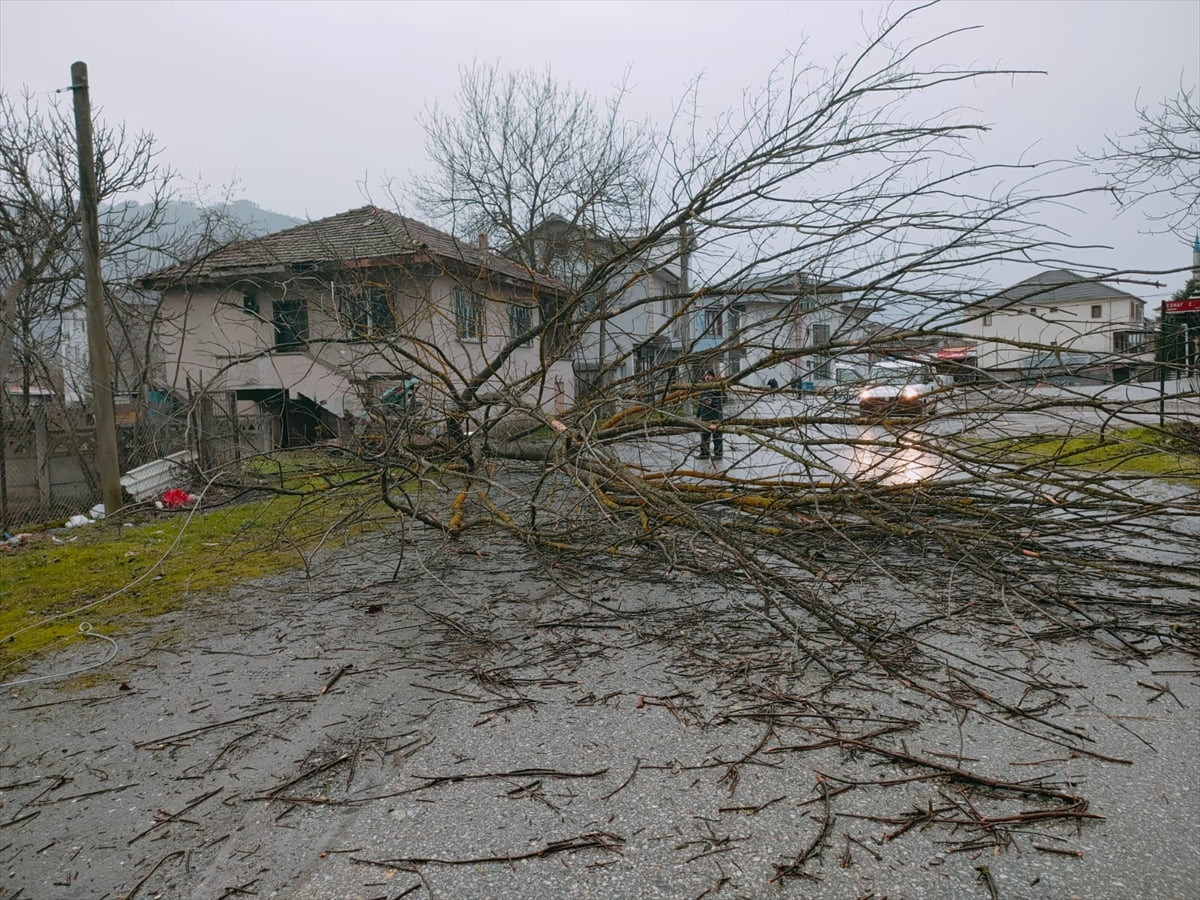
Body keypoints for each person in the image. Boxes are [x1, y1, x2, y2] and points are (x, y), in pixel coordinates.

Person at [695, 370, 725, 459]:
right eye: (705, 375)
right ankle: (704, 453)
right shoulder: (703, 388)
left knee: (717, 437)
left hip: (716, 416)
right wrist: (698, 415)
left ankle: (718, 454)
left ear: (713, 377)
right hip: (705, 417)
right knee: (704, 436)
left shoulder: (717, 387)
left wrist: (712, 402)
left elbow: (724, 399)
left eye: (709, 375)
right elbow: (701, 403)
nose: (707, 377)